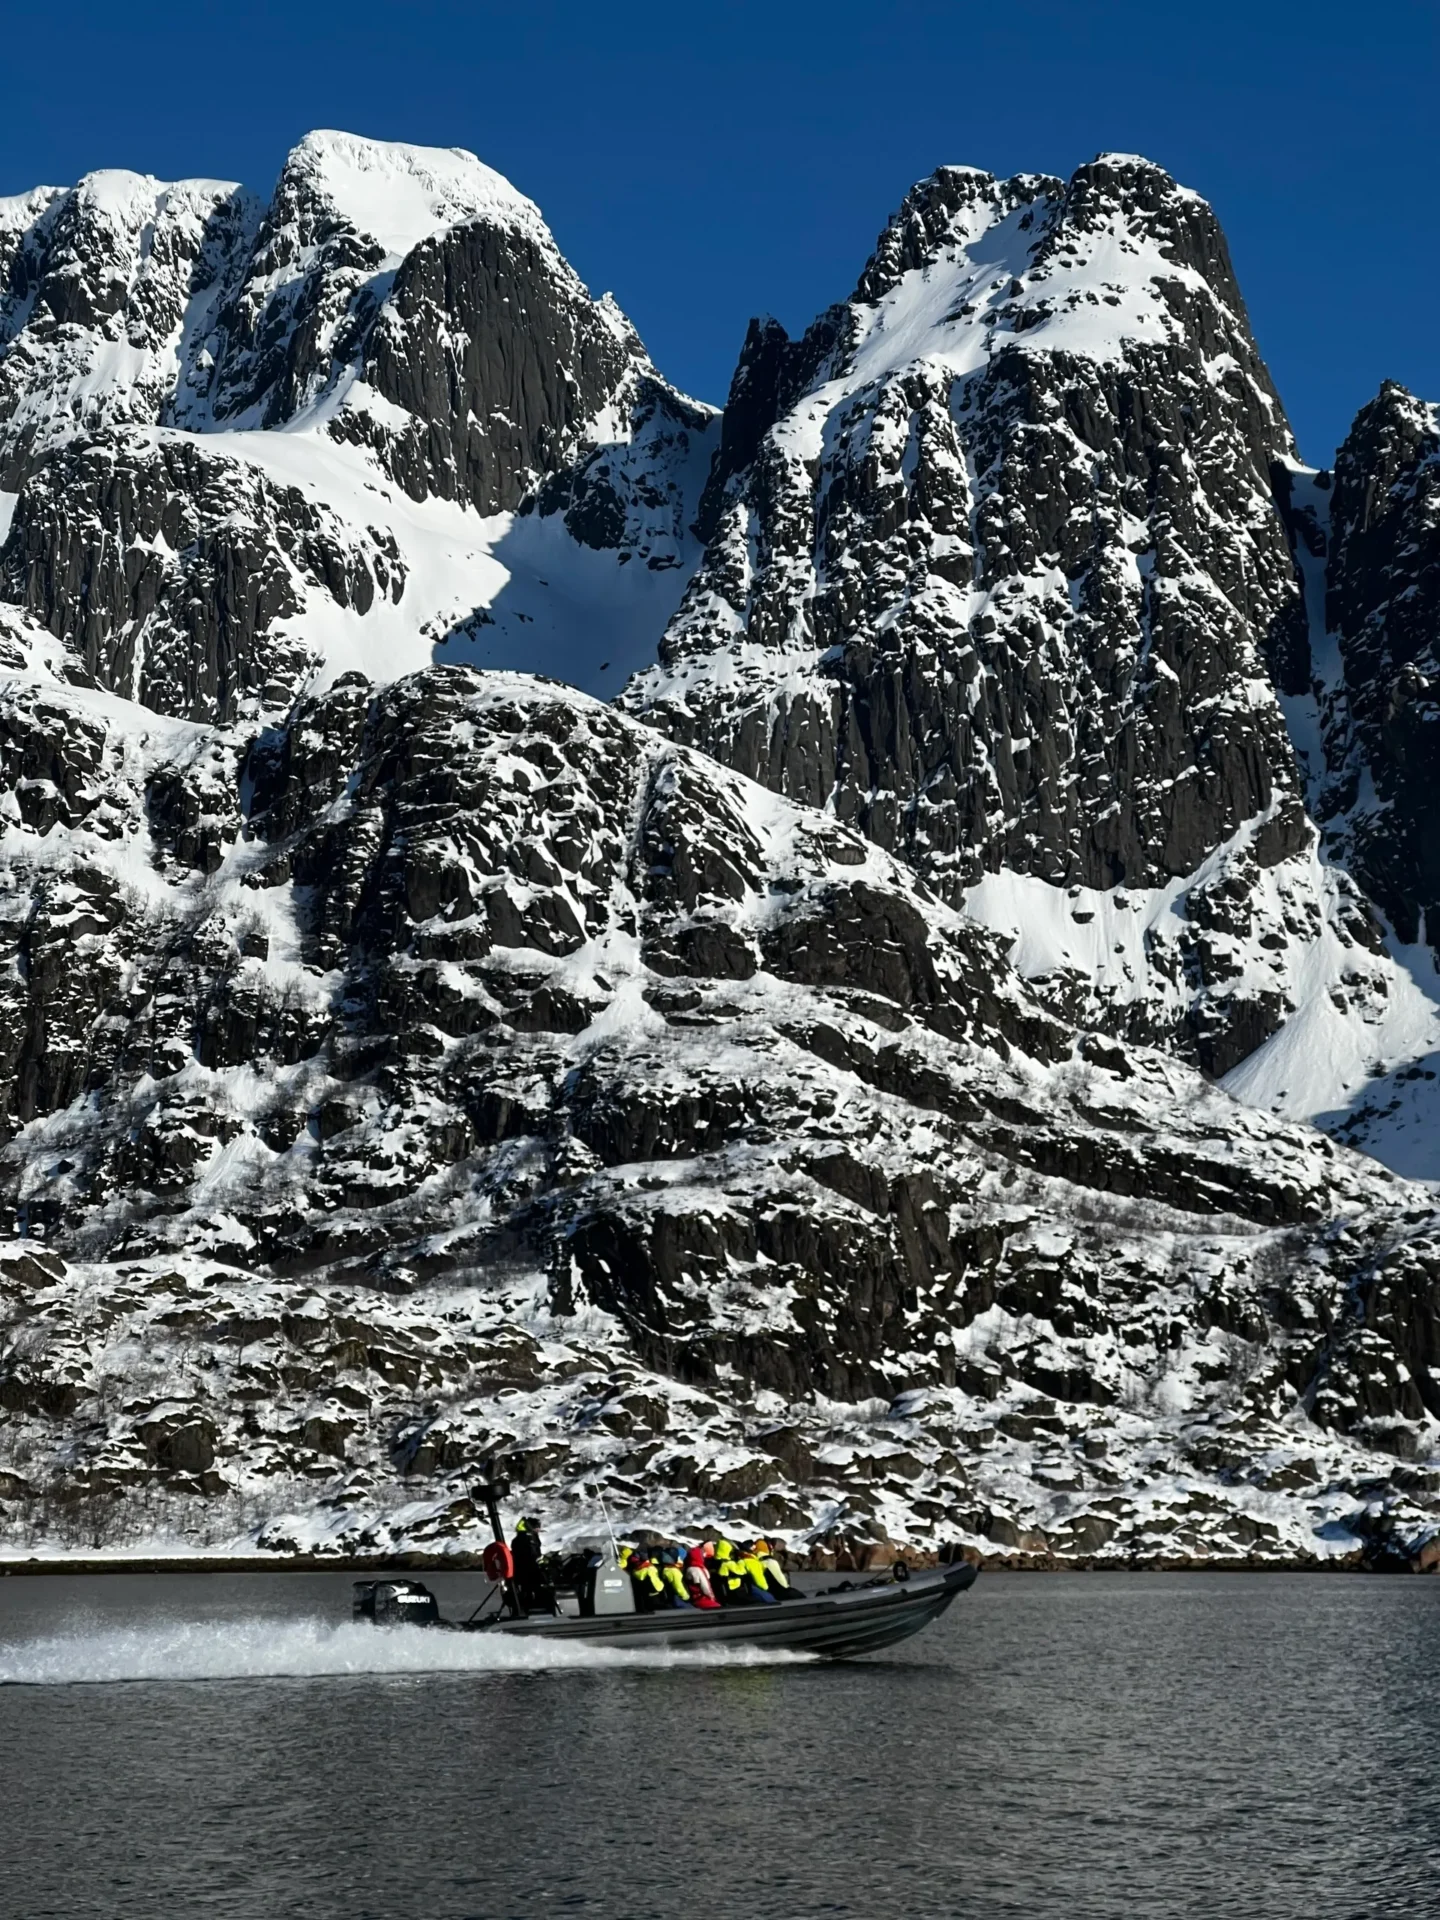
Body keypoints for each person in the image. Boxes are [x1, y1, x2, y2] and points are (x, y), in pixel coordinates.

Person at [510, 1514, 550, 1612]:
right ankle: (530, 1609)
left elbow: (535, 1553)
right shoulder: (525, 1538)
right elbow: (529, 1555)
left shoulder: (529, 1537)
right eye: (536, 1528)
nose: (538, 1530)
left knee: (532, 1587)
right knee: (531, 1588)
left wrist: (541, 1560)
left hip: (529, 1568)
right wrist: (538, 1561)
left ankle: (533, 1607)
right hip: (526, 1570)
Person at [625, 1543, 666, 1612]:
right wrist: (661, 1587)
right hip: (655, 1594)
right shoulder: (649, 1569)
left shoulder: (635, 1571)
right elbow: (655, 1584)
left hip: (645, 1596)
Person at [683, 1543, 720, 1609]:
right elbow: (705, 1585)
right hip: (703, 1598)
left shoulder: (689, 1568)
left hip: (695, 1598)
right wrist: (711, 1596)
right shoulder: (699, 1569)